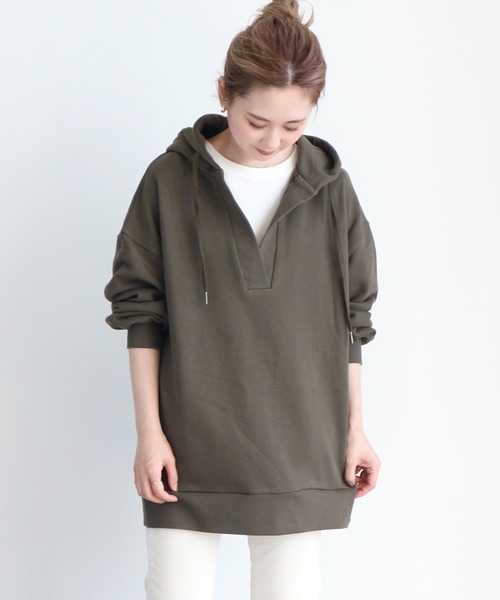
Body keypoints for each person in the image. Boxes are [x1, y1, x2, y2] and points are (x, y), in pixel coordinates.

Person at [104, 1, 380, 598]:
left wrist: (356, 429)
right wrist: (149, 433)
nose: (272, 141)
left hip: (302, 443)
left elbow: (351, 321)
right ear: (224, 93)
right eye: (257, 122)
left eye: (293, 126)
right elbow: (141, 313)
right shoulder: (169, 181)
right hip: (188, 444)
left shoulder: (332, 190)